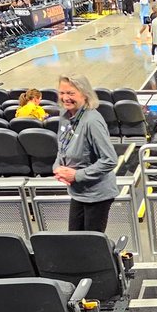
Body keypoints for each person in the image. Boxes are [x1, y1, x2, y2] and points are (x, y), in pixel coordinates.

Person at [53, 74, 118, 232]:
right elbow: (62, 147)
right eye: (62, 93)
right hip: (78, 192)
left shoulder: (92, 121)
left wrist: (76, 175)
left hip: (97, 195)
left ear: (84, 94)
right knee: (75, 240)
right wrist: (57, 167)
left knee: (91, 245)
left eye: (71, 93)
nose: (65, 98)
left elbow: (110, 160)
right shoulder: (64, 116)